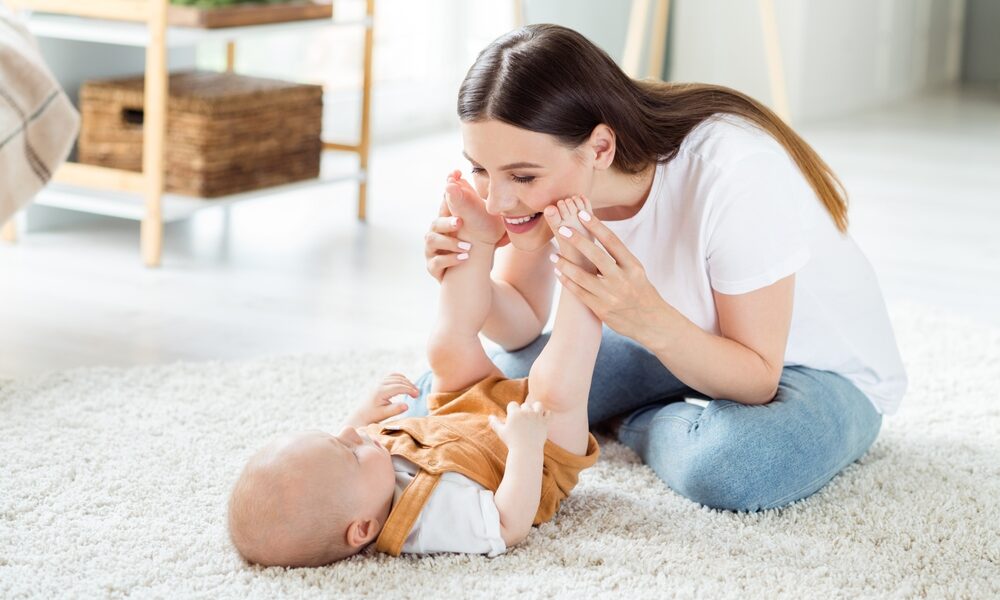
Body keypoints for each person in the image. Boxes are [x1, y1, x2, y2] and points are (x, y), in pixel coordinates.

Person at [417, 23, 907, 512]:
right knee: (460, 400)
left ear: (600, 148)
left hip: (809, 370)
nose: (498, 200)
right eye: (481, 169)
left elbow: (758, 377)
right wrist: (470, 262)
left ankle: (633, 422)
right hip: (661, 341)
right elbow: (520, 319)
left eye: (522, 176)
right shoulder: (542, 187)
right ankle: (631, 408)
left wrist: (645, 317)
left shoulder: (734, 172)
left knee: (735, 465)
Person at [227, 196, 601, 567]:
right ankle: (583, 266)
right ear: (362, 530)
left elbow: (352, 439)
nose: (353, 434)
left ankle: (478, 238)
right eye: (350, 452)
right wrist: (526, 449)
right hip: (536, 454)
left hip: (458, 411)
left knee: (445, 350)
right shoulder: (423, 522)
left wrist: (365, 411)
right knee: (555, 385)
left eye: (334, 435)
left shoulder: (355, 483)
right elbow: (509, 524)